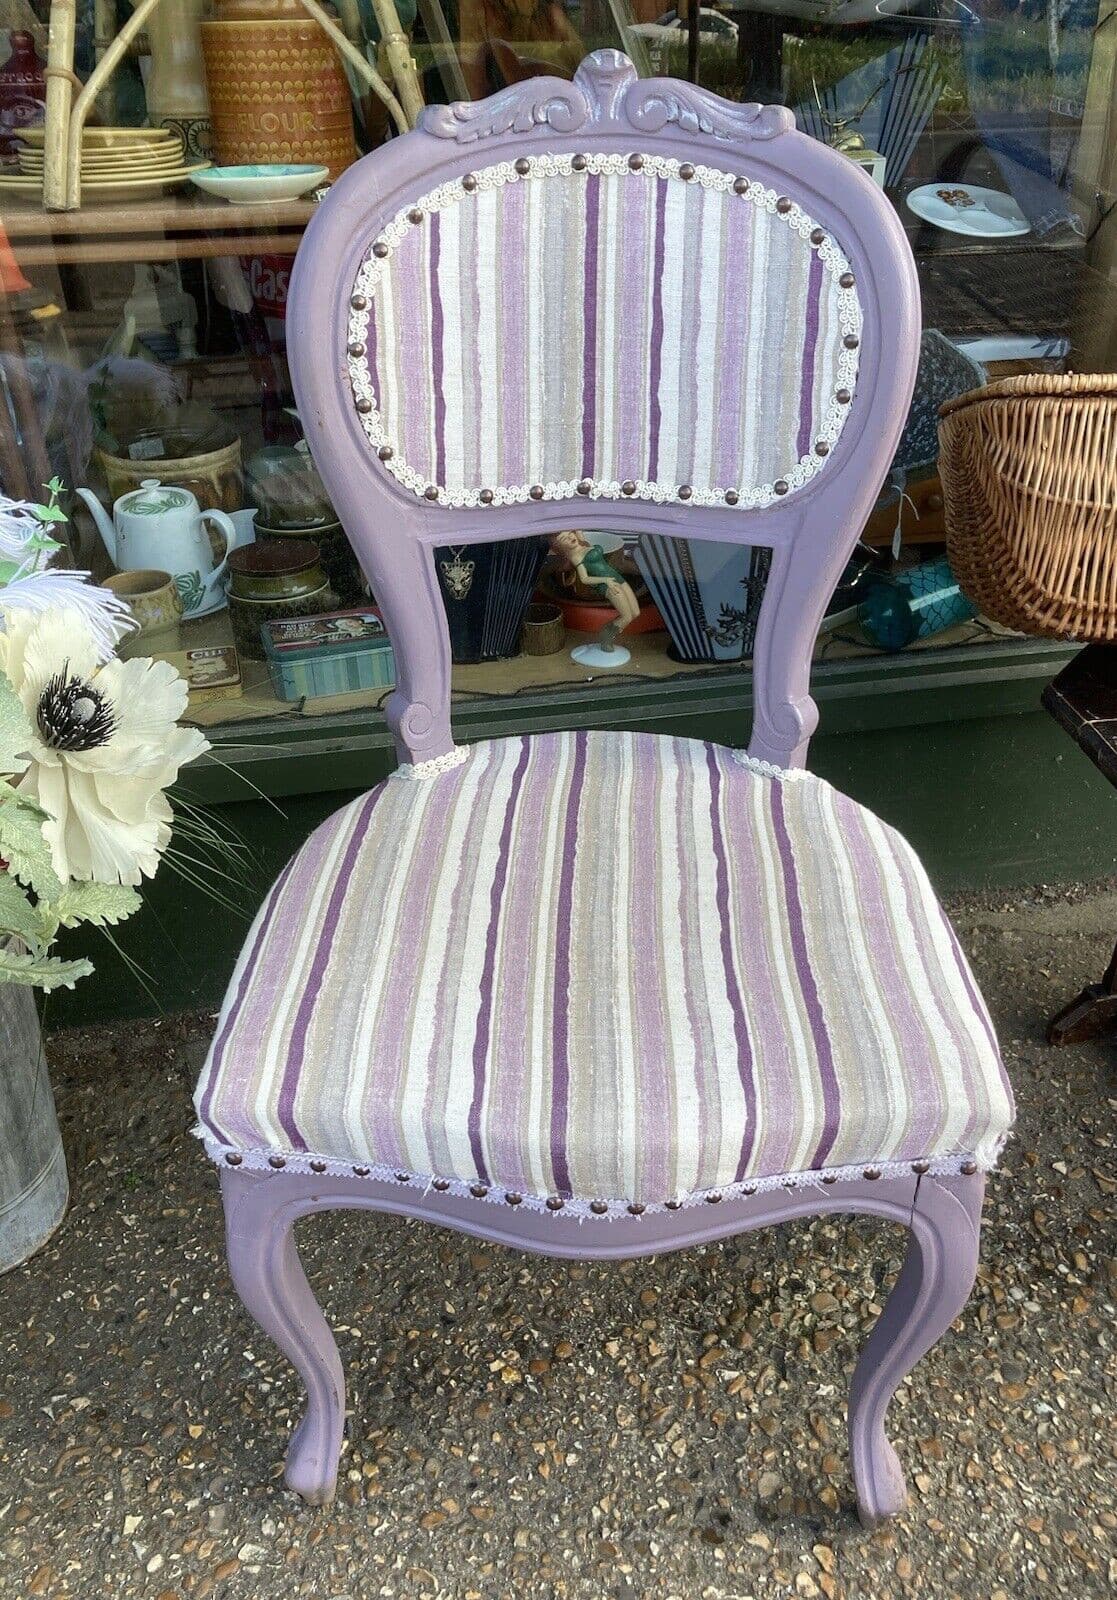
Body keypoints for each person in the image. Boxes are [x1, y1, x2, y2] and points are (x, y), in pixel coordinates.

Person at [550, 529, 640, 651]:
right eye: (564, 538)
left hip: (617, 578)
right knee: (626, 617)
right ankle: (606, 636)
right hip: (607, 584)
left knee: (635, 613)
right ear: (561, 547)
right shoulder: (576, 557)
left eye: (570, 533)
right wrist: (605, 580)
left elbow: (578, 528)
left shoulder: (584, 543)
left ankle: (611, 629)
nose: (570, 537)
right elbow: (585, 579)